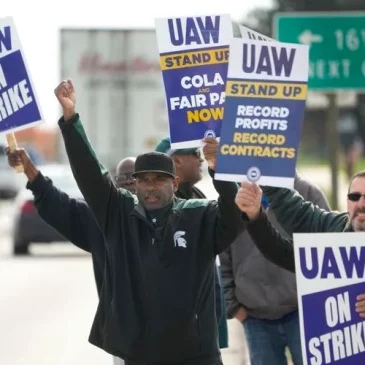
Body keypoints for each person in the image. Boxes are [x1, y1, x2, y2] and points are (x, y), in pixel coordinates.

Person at [54, 79, 245, 365]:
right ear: (135, 184)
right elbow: (92, 176)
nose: (150, 187)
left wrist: (221, 170)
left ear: (175, 182)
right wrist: (71, 120)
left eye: (159, 180)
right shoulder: (120, 214)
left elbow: (234, 216)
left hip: (196, 355)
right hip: (140, 355)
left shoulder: (198, 215)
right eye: (143, 181)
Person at [202, 139, 330, 365]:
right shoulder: (239, 196)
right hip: (255, 316)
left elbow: (327, 249)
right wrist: (235, 306)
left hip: (302, 312)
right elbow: (224, 253)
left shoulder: (307, 192)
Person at [7, 149, 136, 365]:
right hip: (126, 336)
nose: (133, 183)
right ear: (115, 185)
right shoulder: (99, 221)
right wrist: (29, 169)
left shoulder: (173, 217)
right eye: (125, 179)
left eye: (139, 177)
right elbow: (56, 202)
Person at [233, 177, 365, 318]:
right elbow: (283, 251)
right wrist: (255, 216)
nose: (361, 204)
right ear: (347, 201)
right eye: (354, 196)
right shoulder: (337, 227)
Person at [155, 137, 229, 349]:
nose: (201, 160)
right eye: (196, 154)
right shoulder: (161, 205)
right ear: (177, 160)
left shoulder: (197, 195)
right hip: (180, 329)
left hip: (204, 318)